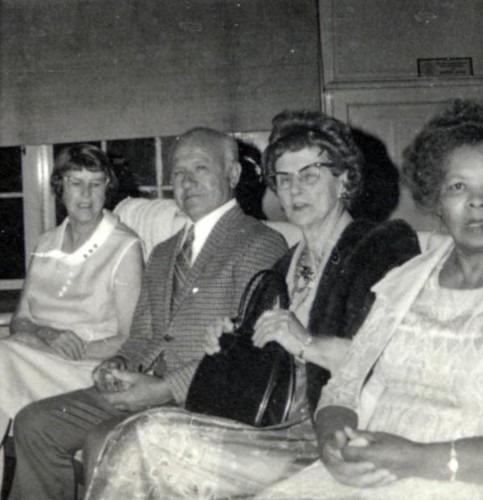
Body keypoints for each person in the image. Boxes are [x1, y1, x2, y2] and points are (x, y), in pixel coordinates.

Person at [83, 110, 420, 500]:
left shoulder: (381, 247)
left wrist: (305, 342)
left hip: (332, 433)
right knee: (137, 436)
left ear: (343, 178)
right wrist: (227, 347)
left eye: (309, 175)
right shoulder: (285, 264)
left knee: (148, 440)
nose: (295, 191)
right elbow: (261, 372)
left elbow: (398, 360)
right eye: (284, 178)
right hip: (271, 426)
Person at [10, 127, 288, 500]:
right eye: (177, 173)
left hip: (203, 395)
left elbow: (247, 354)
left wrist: (162, 388)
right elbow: (141, 335)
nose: (186, 182)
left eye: (200, 168)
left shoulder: (260, 243)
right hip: (143, 384)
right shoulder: (163, 251)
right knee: (35, 423)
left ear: (233, 174)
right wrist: (118, 362)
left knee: (103, 443)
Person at [254, 99, 483, 500]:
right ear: (437, 200)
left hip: (457, 478)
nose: (476, 202)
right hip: (368, 467)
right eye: (458, 187)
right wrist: (331, 446)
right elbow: (343, 387)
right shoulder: (408, 279)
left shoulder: (379, 248)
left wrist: (417, 458)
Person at [0, 144, 143, 438]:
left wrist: (77, 349)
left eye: (96, 183)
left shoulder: (124, 247)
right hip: (35, 357)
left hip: (84, 368)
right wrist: (48, 336)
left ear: (107, 188)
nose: (86, 195)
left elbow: (132, 338)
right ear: (60, 187)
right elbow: (20, 321)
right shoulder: (46, 243)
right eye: (76, 183)